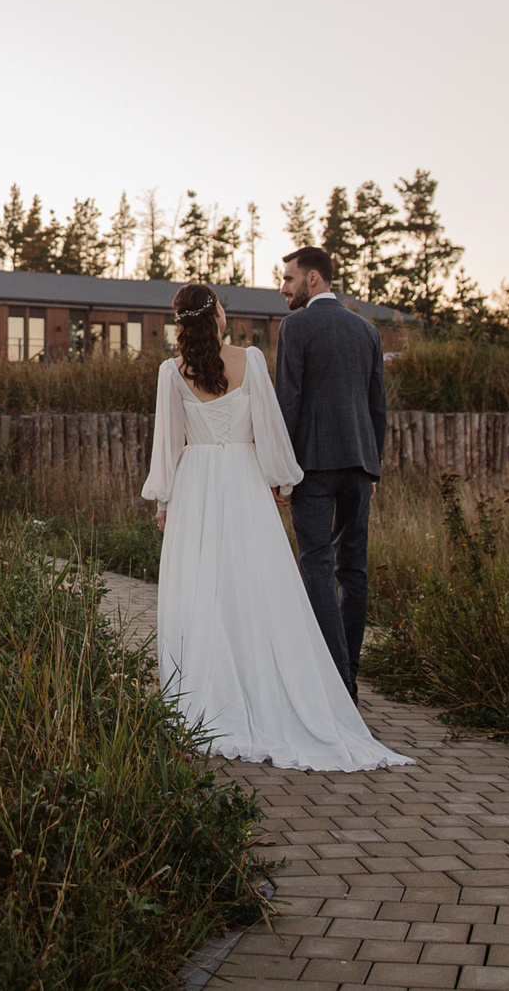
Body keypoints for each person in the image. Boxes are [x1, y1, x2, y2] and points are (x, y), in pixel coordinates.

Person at [140, 282, 410, 773]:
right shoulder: (253, 360)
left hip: (196, 484)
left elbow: (168, 445)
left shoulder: (170, 372)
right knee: (255, 586)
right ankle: (269, 688)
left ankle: (208, 696)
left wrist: (164, 499)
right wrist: (281, 480)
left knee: (203, 589)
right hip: (243, 480)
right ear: (218, 314)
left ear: (181, 323)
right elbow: (270, 425)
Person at [274, 246, 389, 701]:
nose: (283, 288)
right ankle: (350, 670)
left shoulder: (296, 326)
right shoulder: (368, 330)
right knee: (353, 568)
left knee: (317, 564)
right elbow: (377, 405)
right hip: (360, 463)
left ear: (314, 280)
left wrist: (281, 471)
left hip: (314, 466)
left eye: (288, 279)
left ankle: (337, 678)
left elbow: (289, 401)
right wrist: (373, 467)